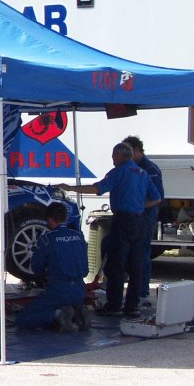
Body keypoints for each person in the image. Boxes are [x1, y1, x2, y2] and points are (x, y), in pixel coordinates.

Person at [58, 142, 160, 317]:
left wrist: (70, 188)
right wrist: (139, 206)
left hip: (123, 220)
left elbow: (97, 188)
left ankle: (114, 305)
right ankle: (132, 306)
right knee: (135, 264)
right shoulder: (142, 173)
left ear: (120, 155)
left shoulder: (119, 172)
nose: (112, 158)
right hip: (140, 220)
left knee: (116, 263)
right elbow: (156, 198)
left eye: (113, 155)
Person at [16, 202, 90, 332]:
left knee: (23, 318)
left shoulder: (47, 239)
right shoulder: (79, 236)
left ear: (49, 219)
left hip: (58, 290)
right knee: (66, 303)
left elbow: (36, 269)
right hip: (80, 290)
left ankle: (58, 315)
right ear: (66, 217)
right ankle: (77, 313)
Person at [122, 135, 164, 305]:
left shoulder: (149, 169)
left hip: (145, 216)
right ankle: (134, 287)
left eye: (129, 152)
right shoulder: (129, 167)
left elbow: (157, 196)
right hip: (132, 216)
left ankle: (142, 289)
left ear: (137, 150)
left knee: (141, 252)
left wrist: (136, 206)